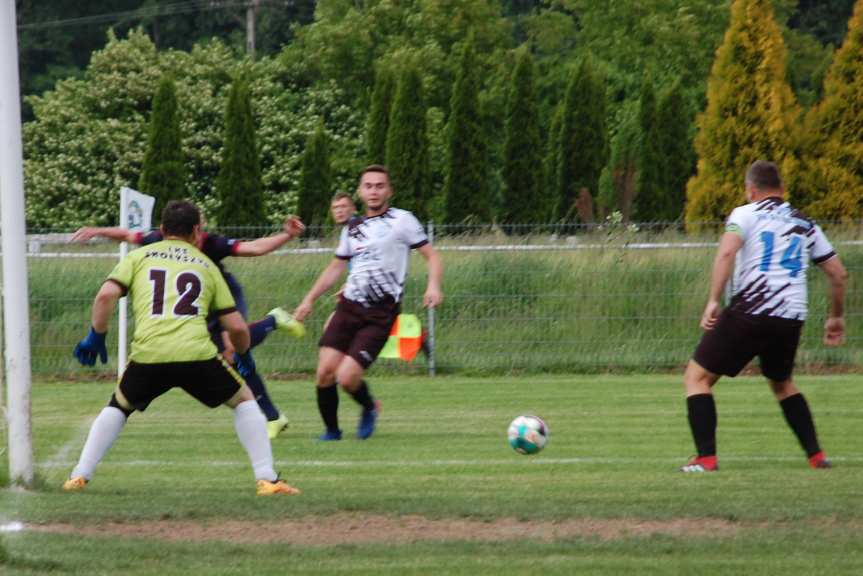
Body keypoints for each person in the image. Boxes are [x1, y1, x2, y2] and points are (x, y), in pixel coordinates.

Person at [64, 200, 300, 495]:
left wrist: (95, 336)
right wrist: (242, 356)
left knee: (119, 406)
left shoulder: (140, 256)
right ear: (196, 230)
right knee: (245, 401)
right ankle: (267, 479)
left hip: (149, 355)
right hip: (196, 355)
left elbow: (105, 296)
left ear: (162, 229)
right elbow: (238, 328)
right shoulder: (205, 264)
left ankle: (79, 476)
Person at [681, 160, 848, 472]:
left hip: (752, 309)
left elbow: (727, 252)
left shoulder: (744, 214)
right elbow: (838, 274)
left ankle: (705, 459)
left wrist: (713, 300)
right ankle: (816, 457)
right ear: (782, 190)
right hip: (791, 315)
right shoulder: (806, 223)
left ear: (750, 190)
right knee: (782, 383)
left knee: (697, 377)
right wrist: (835, 317)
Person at [293, 165, 443, 440]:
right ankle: (332, 432)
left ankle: (370, 406)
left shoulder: (403, 220)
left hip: (380, 314)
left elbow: (431, 256)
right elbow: (336, 268)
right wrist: (309, 299)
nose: (374, 191)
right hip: (348, 307)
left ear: (389, 190)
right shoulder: (353, 228)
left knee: (347, 378)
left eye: (379, 186)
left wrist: (433, 285)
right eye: (368, 186)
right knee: (325, 371)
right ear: (360, 192)